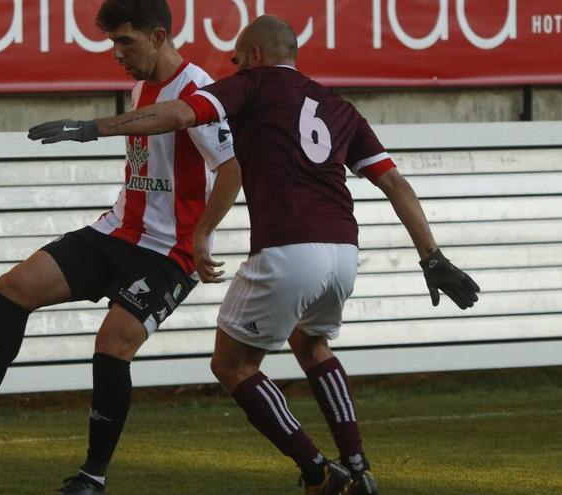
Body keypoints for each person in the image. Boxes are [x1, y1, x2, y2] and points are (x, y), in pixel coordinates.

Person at [29, 14, 480, 495]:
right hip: (343, 252)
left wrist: (92, 127)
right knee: (312, 345)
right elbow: (395, 183)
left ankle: (320, 472)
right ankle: (359, 467)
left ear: (258, 57)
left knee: (232, 364)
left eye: (238, 58)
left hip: (288, 249)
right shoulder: (337, 106)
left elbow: (180, 114)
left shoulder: (253, 85)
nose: (233, 65)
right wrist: (432, 257)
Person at [0, 1, 240, 494]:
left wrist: (203, 235)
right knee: (14, 286)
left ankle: (92, 477)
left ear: (158, 35)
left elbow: (232, 169)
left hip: (169, 253)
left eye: (125, 41)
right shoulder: (140, 86)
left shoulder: (199, 92)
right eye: (112, 43)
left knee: (112, 345)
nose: (116, 54)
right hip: (117, 231)